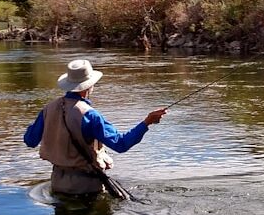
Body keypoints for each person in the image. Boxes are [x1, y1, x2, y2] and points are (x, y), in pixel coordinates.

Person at [24, 59, 167, 196]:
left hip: (57, 183)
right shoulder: (90, 115)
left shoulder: (48, 109)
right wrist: (147, 122)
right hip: (86, 187)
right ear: (88, 86)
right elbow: (121, 144)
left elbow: (30, 140)